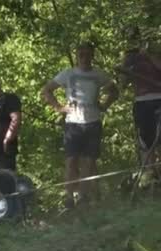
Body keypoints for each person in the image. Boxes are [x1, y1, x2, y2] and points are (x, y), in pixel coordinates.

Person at [42, 42, 118, 208]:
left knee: (89, 162)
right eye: (81, 54)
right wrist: (59, 107)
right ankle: (69, 197)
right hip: (73, 124)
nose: (84, 57)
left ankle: (83, 197)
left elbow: (114, 90)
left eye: (87, 54)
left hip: (93, 122)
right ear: (77, 56)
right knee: (71, 161)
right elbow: (47, 90)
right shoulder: (67, 74)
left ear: (93, 56)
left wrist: (104, 105)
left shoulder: (99, 74)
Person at [118, 36, 161, 165]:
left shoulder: (156, 52)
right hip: (141, 102)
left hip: (159, 98)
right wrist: (126, 68)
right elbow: (123, 84)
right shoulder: (131, 58)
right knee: (146, 139)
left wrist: (148, 54)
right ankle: (150, 175)